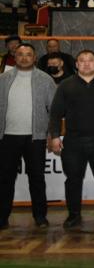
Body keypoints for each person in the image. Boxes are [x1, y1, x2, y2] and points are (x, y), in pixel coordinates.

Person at [49, 50, 94, 228]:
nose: (86, 63)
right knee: (73, 179)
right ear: (76, 64)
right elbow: (55, 113)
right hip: (73, 141)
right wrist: (55, 136)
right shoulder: (66, 85)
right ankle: (73, 214)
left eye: (90, 60)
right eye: (82, 60)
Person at [0, 43, 56, 229]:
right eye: (20, 54)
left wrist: (52, 134)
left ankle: (40, 216)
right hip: (7, 137)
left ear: (35, 57)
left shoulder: (45, 80)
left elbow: (54, 110)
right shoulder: (3, 79)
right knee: (5, 179)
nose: (24, 58)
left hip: (36, 137)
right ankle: (2, 217)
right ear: (14, 57)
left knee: (37, 178)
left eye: (28, 54)